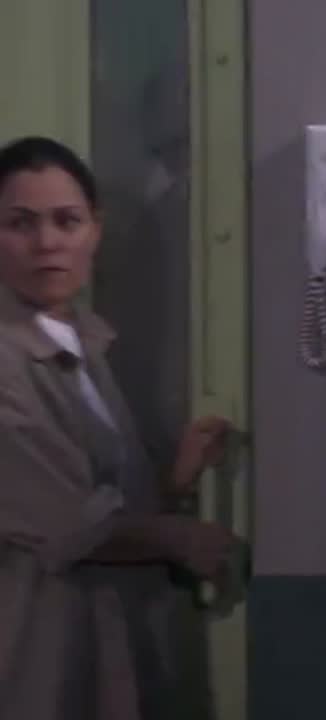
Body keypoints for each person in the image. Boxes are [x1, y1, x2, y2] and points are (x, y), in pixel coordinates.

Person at [0, 136, 239, 719]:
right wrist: (182, 539)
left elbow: (100, 494)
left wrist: (173, 482)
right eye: (20, 223)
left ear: (95, 230)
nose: (47, 243)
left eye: (67, 221)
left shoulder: (85, 343)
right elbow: (66, 524)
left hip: (107, 652)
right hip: (35, 660)